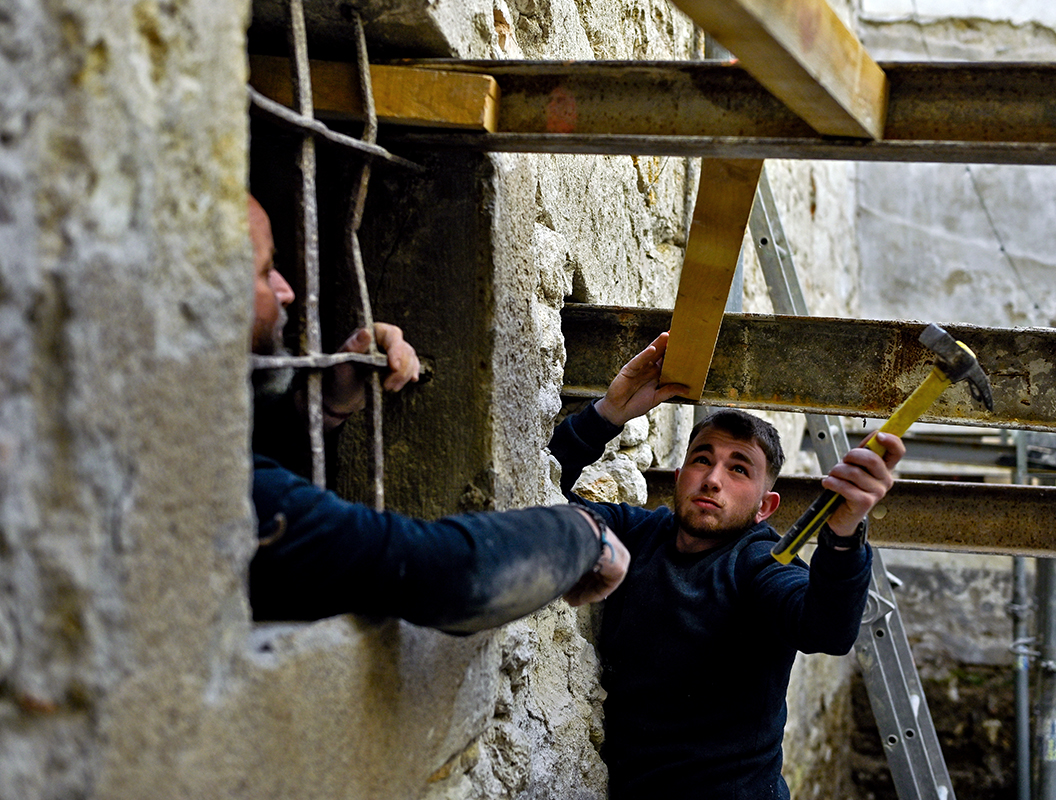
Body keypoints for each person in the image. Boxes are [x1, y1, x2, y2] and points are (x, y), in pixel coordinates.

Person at [245, 195, 629, 632]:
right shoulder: (205, 482)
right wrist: (583, 532)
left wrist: (322, 407)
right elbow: (452, 576)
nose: (286, 290)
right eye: (263, 270)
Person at [548, 332, 906, 799]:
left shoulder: (761, 563)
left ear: (765, 506)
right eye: (702, 460)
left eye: (739, 469)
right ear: (680, 479)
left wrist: (844, 533)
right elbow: (541, 499)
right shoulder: (637, 534)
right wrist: (608, 415)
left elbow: (827, 630)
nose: (713, 479)